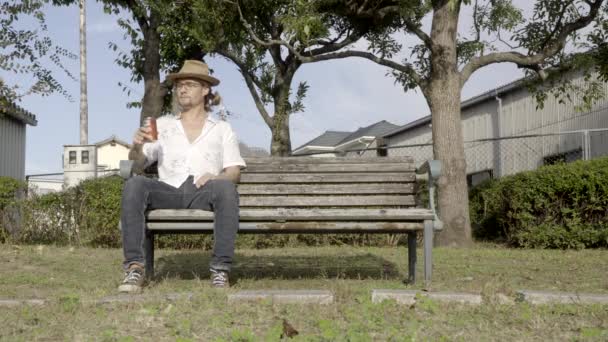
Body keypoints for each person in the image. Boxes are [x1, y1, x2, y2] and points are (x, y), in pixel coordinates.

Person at [118, 60, 246, 293]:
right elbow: (138, 164)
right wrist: (137, 146)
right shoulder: (163, 125)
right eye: (179, 85)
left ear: (205, 90)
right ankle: (134, 268)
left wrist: (216, 177)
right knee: (135, 184)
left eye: (189, 84)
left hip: (203, 190)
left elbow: (234, 173)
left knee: (226, 189)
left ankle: (220, 270)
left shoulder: (221, 128)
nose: (182, 89)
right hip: (168, 189)